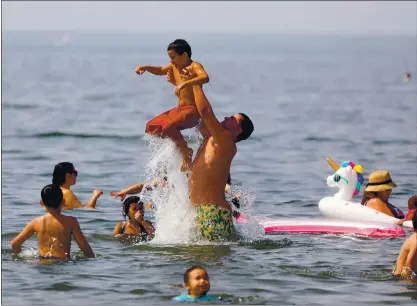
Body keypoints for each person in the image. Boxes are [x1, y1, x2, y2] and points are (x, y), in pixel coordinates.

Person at [182, 69, 254, 241]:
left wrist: (196, 82)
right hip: (200, 212)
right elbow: (198, 114)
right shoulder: (212, 137)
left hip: (213, 212)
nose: (227, 117)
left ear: (238, 130)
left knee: (213, 263)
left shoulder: (226, 142)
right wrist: (182, 85)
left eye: (232, 118)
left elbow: (206, 111)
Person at [135, 39, 210, 171]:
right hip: (180, 110)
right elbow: (160, 70)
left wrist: (185, 83)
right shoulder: (174, 67)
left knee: (168, 127)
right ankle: (176, 147)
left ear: (185, 56)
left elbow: (205, 77)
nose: (171, 61)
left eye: (173, 58)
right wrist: (145, 67)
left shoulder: (194, 66)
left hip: (192, 112)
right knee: (151, 126)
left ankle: (186, 151)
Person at [11, 184, 95, 260]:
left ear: (42, 203)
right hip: (63, 263)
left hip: (43, 263)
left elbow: (15, 244)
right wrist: (93, 259)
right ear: (63, 202)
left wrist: (20, 258)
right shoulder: (71, 221)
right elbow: (84, 246)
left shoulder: (36, 222)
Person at [392, 212, 417, 280]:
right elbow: (408, 266)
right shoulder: (415, 242)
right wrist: (409, 284)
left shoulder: (413, 237)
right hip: (403, 279)